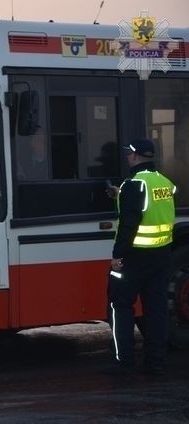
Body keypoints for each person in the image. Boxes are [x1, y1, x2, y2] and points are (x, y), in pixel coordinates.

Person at [104, 138, 176, 375]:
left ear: (135, 156)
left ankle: (123, 363)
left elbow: (129, 225)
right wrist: (120, 195)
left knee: (121, 307)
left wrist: (117, 257)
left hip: (134, 258)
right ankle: (156, 362)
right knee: (156, 309)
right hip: (162, 255)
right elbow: (150, 209)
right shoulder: (164, 182)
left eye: (128, 153)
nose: (127, 157)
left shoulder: (134, 184)